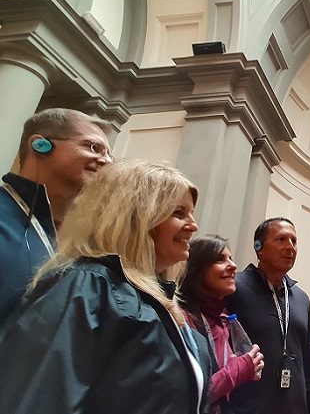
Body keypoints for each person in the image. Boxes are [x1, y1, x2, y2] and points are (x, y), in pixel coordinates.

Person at [0, 159, 210, 414]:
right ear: (137, 217)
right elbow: (37, 397)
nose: (194, 225)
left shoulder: (156, 300)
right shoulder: (89, 287)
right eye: (179, 213)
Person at [0, 107, 112, 328]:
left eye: (109, 154)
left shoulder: (82, 242)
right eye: (93, 147)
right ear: (40, 145)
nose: (106, 161)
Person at [226, 217, 310, 414]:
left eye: (293, 241)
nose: (290, 247)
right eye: (281, 240)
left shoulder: (301, 299)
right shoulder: (234, 288)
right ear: (258, 246)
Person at [179, 235, 266, 413]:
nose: (233, 266)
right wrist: (239, 369)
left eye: (231, 258)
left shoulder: (223, 320)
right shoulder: (181, 319)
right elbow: (189, 393)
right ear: (196, 269)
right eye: (220, 259)